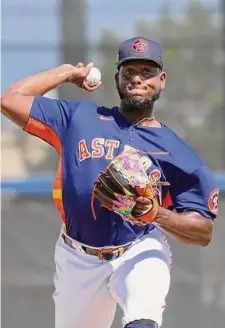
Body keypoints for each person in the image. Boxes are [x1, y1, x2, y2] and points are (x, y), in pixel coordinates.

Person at [1, 37, 220, 328]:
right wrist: (68, 73)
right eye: (129, 71)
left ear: (162, 79)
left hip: (138, 248)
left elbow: (203, 230)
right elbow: (10, 100)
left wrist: (157, 214)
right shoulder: (79, 117)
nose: (137, 78)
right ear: (117, 78)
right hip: (76, 257)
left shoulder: (178, 152)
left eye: (147, 71)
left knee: (142, 320)